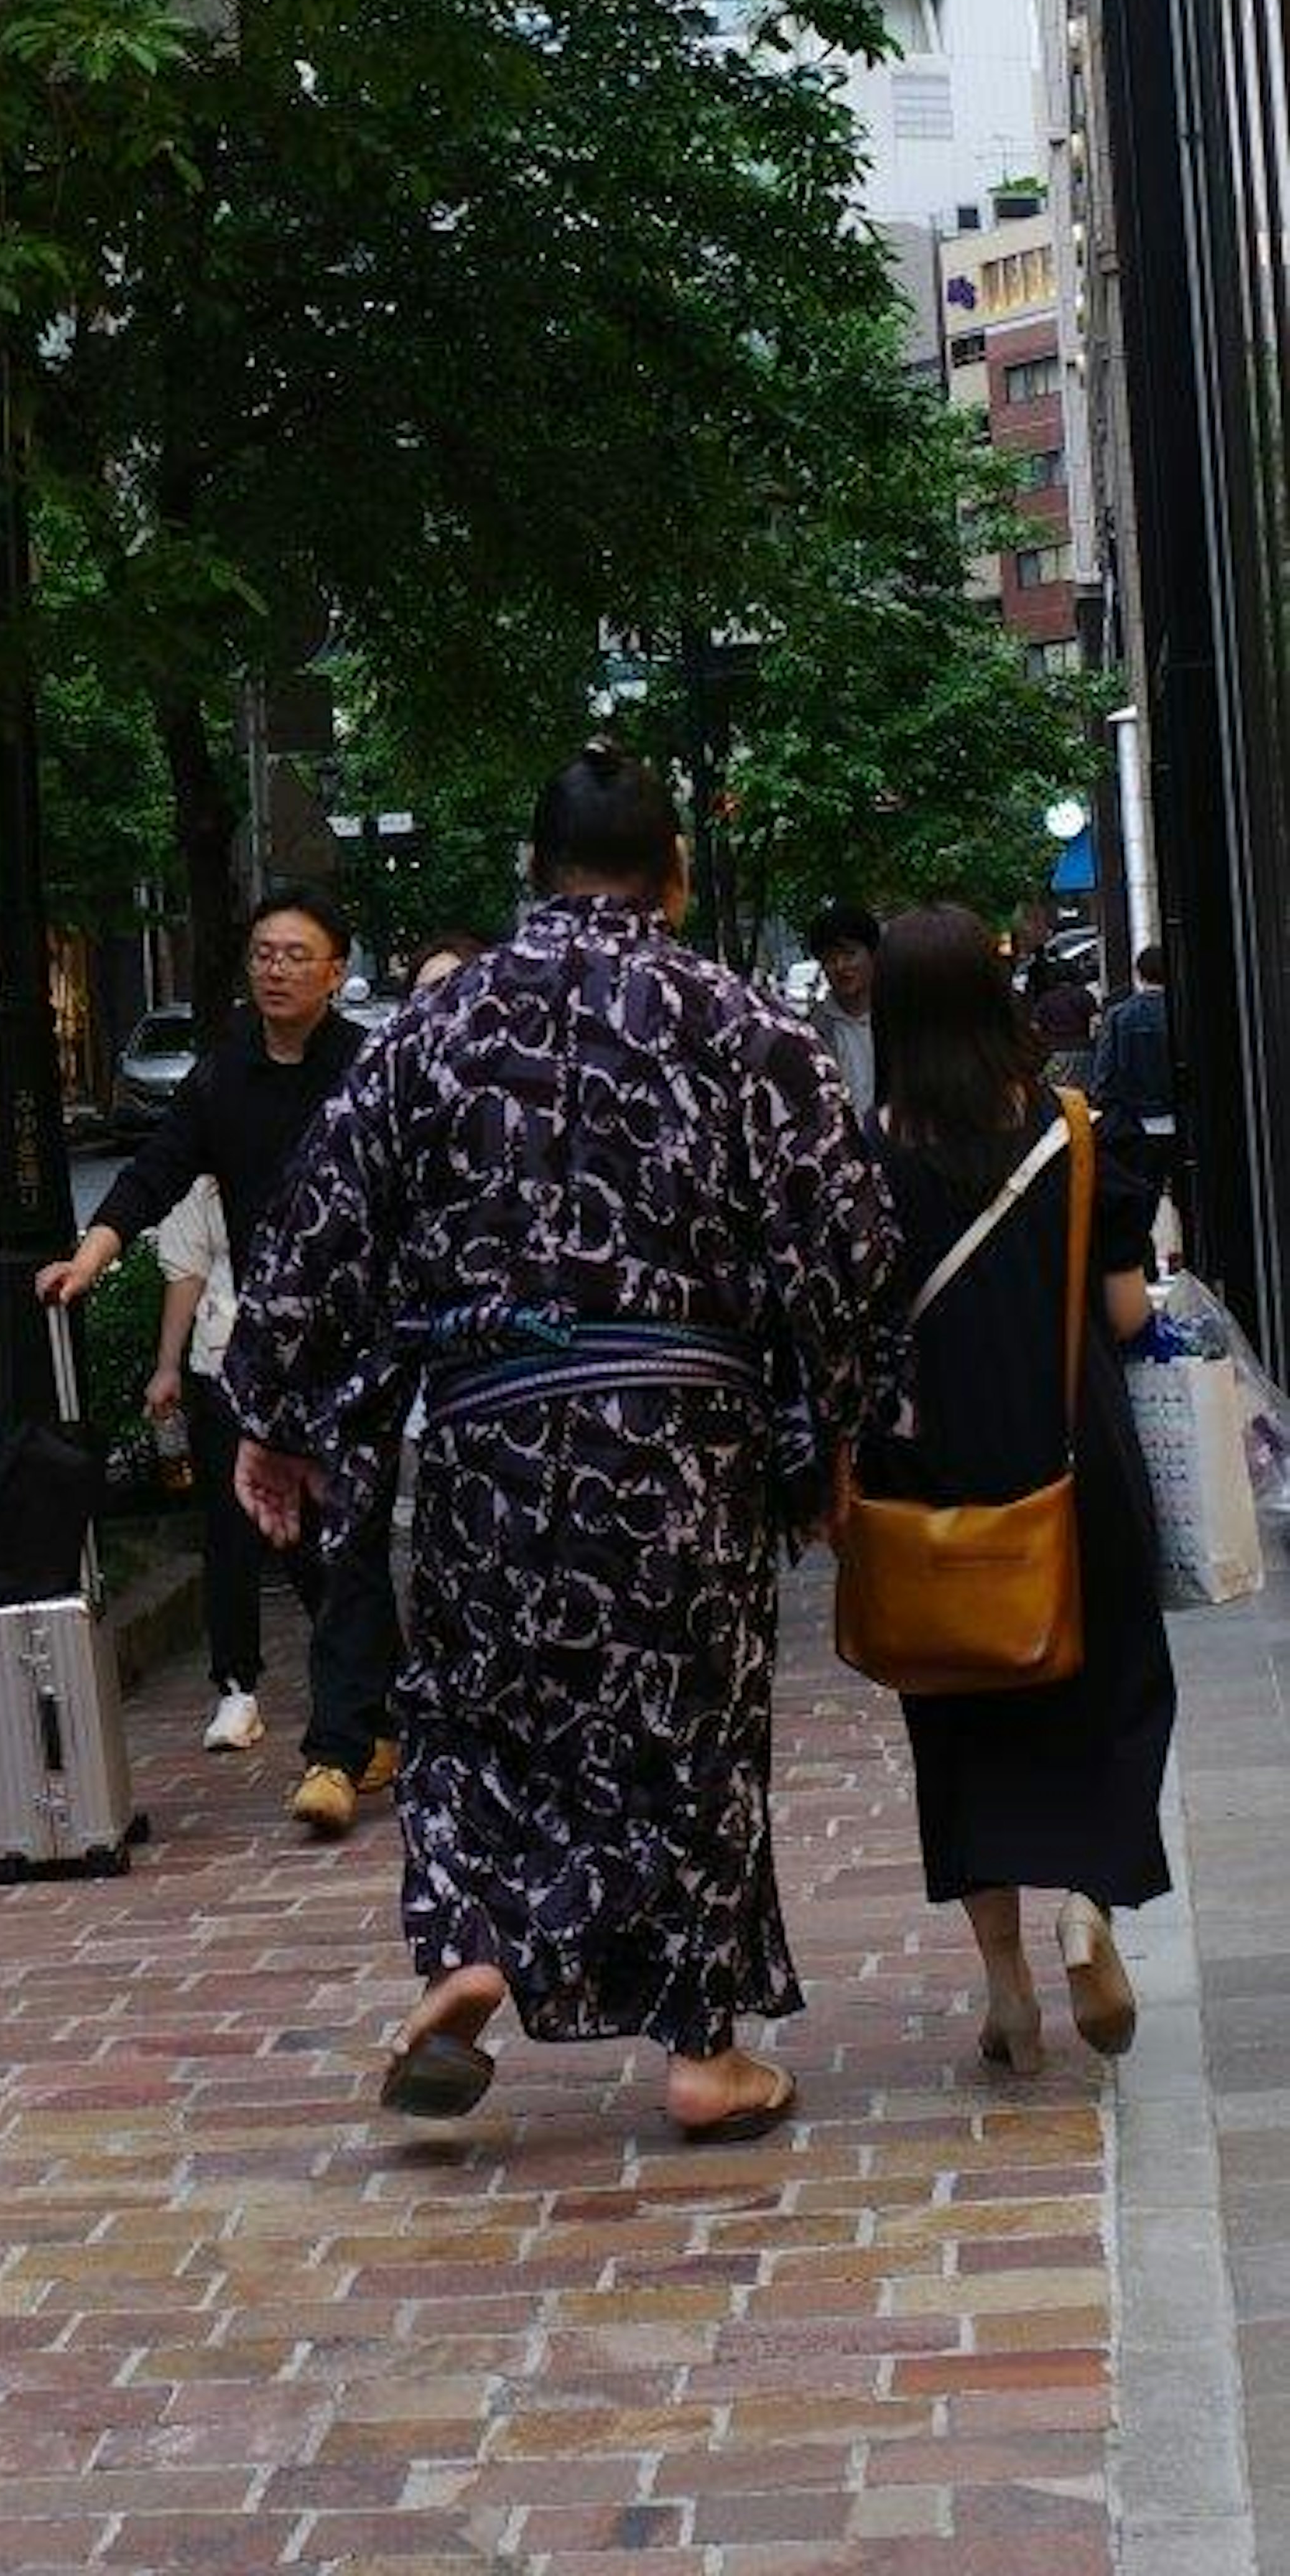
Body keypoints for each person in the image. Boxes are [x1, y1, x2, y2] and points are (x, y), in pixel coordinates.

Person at [225, 747, 900, 2142]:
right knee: (690, 1738)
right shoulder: (739, 1026)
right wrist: (826, 1430)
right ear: (676, 875)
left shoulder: (434, 1030)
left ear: (532, 875)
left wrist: (279, 1419)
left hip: (489, 1447)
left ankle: (475, 1947)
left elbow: (315, 1229)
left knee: (481, 1723)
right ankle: (704, 2049)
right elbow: (840, 1245)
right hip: (679, 1447)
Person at [866, 904, 1175, 2070]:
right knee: (1110, 1693)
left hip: (934, 1487)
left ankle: (1007, 1995)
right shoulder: (1076, 1135)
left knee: (960, 1727)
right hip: (1076, 1469)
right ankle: (1090, 1906)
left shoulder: (870, 1156)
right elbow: (1126, 1313)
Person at [40, 886, 399, 1833]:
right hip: (267, 1345)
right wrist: (92, 1252)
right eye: (263, 953)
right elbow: (157, 1169)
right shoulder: (223, 1074)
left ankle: (334, 1750)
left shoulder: (370, 1071)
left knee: (350, 1535)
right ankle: (383, 1711)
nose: (275, 969)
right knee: (309, 1546)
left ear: (336, 971)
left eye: (296, 954)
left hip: (361, 1345)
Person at [146, 1174, 272, 1751]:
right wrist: (169, 1365)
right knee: (230, 1528)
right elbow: (186, 1271)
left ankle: (363, 1683)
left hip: (309, 1357)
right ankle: (237, 1685)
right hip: (222, 1362)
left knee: (326, 1527)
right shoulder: (199, 1179)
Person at [1092, 944, 1177, 1244]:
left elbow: (1106, 1075)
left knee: (1142, 1195)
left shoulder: (1120, 1016)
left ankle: (1145, 1257)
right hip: (1181, 1118)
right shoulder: (1184, 1010)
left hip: (1136, 1123)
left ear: (1139, 975)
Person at [807, 900, 882, 1110]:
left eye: (849, 954)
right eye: (830, 959)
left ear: (873, 954)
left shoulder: (900, 1015)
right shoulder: (815, 1030)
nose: (840, 967)